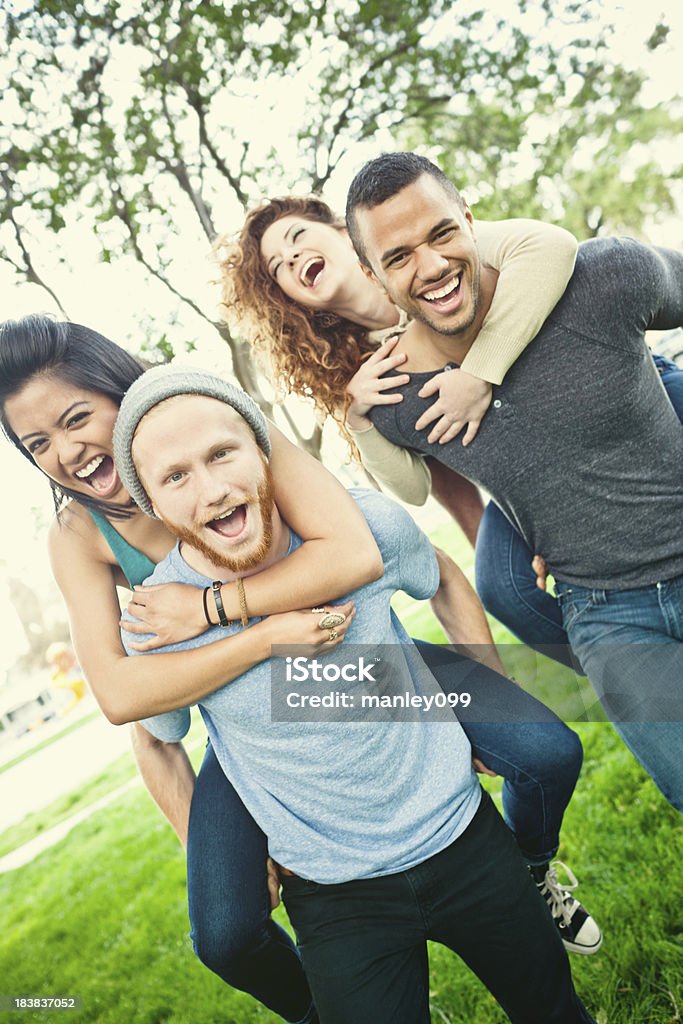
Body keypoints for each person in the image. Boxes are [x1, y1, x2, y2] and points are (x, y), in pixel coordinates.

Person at [0, 318, 595, 1024]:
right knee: (223, 930)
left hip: (356, 650)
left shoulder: (222, 420)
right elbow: (128, 699)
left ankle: (528, 874)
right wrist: (254, 641)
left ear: (120, 394)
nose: (66, 453)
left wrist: (217, 606)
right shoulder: (79, 535)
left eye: (76, 420)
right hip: (238, 694)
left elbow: (358, 555)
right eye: (37, 445)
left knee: (545, 750)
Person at [344, 150, 683, 812]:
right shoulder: (401, 396)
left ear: (471, 222)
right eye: (399, 256)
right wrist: (356, 419)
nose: (433, 267)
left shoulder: (602, 278)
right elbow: (408, 490)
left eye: (443, 233)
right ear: (373, 277)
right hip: (607, 613)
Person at [223, 197, 683, 667]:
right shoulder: (367, 372)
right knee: (503, 585)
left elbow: (549, 246)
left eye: (298, 238)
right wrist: (357, 418)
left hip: (611, 386)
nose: (294, 258)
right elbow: (426, 484)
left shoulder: (430, 250)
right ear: (290, 298)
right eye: (279, 265)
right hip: (525, 457)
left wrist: (478, 374)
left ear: (345, 235)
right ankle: (621, 654)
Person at [45, 641, 88, 714]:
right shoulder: (58, 682)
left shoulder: (76, 671)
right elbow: (67, 705)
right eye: (67, 656)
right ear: (58, 661)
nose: (72, 656)